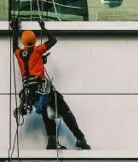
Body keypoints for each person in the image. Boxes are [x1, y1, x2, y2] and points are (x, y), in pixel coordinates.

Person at [11, 19, 90, 151]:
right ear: (34, 41)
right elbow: (53, 40)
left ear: (24, 42)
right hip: (41, 88)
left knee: (46, 113)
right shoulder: (37, 50)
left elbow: (14, 46)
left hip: (29, 93)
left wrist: (15, 30)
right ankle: (80, 139)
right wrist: (44, 28)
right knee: (65, 111)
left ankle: (52, 142)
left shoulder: (19, 54)